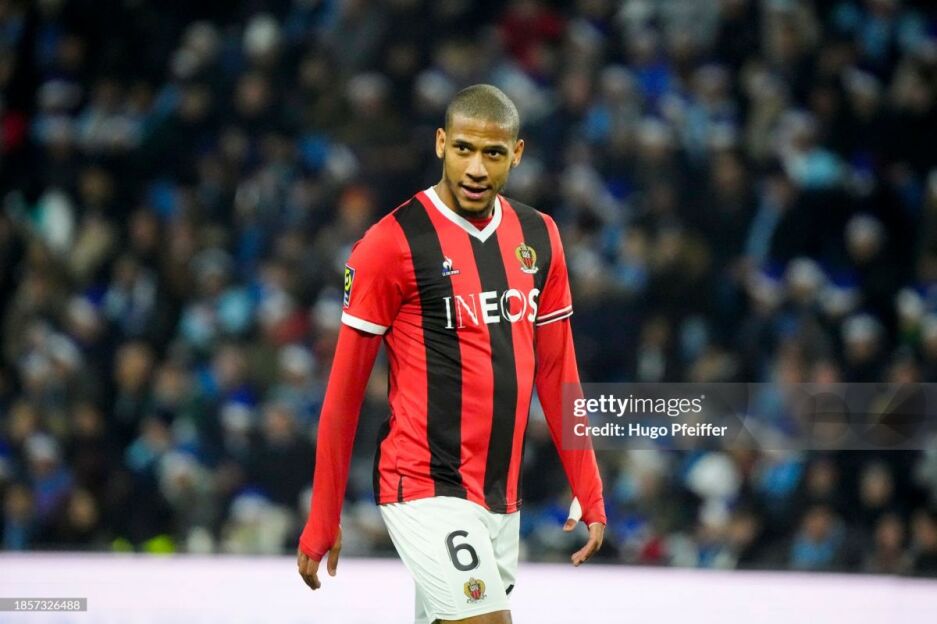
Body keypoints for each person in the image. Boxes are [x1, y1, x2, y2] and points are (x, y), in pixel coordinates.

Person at [297, 84, 606, 624]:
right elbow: (343, 396)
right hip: (423, 483)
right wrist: (324, 514)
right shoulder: (390, 244)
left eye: (493, 153)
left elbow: (559, 373)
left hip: (500, 494)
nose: (477, 169)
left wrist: (589, 486)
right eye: (464, 148)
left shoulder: (540, 236)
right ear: (441, 143)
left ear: (517, 153)